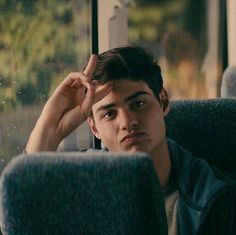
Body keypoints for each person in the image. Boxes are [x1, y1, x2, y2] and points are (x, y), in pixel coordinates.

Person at [26, 46, 235, 235]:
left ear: (163, 102)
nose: (127, 122)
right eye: (109, 114)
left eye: (139, 104)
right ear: (94, 127)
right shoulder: (79, 188)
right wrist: (47, 128)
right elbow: (23, 222)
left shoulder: (218, 199)